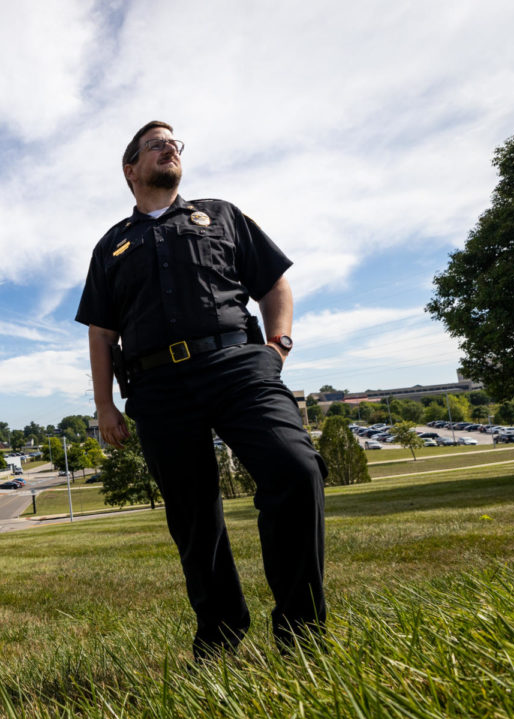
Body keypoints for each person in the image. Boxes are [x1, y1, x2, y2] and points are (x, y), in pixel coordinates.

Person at [76, 120, 327, 657]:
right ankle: (220, 632)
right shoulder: (111, 246)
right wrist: (104, 404)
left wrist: (277, 346)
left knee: (296, 470)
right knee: (192, 514)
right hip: (158, 386)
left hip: (238, 365)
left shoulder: (220, 214)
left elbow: (274, 282)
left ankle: (302, 634)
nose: (169, 147)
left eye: (174, 142)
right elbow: (101, 332)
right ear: (131, 169)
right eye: (155, 144)